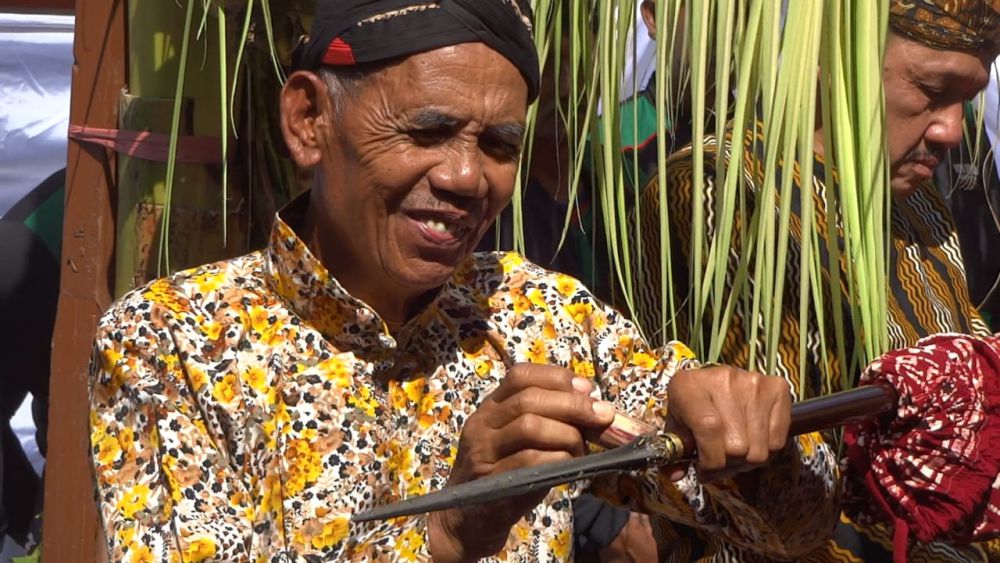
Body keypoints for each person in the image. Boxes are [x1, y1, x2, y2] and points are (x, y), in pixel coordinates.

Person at [88, 2, 842, 561]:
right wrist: (448, 532)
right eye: (426, 131)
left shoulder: (539, 313)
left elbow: (790, 536)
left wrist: (751, 441)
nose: (464, 176)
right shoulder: (172, 338)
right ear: (308, 120)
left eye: (500, 144)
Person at [631, 0, 1000, 560]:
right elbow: (779, 481)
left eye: (966, 100)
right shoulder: (727, 190)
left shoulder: (922, 205)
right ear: (836, 59)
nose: (952, 129)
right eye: (931, 89)